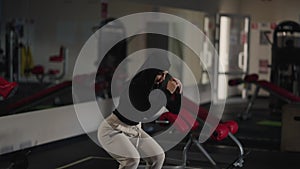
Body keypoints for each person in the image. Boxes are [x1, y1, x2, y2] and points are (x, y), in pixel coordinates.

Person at [98, 55, 182, 169]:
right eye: (160, 74)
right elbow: (145, 112)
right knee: (132, 160)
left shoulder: (157, 86)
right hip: (113, 128)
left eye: (165, 74)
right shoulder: (134, 85)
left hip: (135, 129)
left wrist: (178, 93)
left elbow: (175, 110)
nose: (163, 78)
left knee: (158, 157)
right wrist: (167, 93)